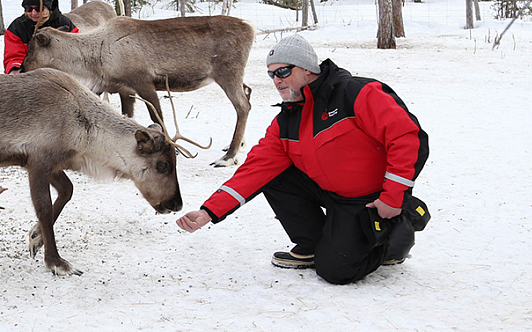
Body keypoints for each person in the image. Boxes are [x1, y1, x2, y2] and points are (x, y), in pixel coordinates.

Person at [176, 34, 430, 285]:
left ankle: (398, 229)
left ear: (307, 69)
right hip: (330, 191)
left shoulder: (356, 94)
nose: (277, 80)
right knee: (273, 177)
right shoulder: (287, 119)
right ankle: (312, 243)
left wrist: (393, 197)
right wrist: (209, 212)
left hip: (368, 199)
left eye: (283, 71)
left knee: (336, 270)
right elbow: (255, 169)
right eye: (272, 74)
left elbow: (408, 139)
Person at [3, 0, 78, 74]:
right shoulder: (17, 28)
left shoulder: (64, 23)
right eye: (29, 9)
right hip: (30, 77)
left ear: (49, 7)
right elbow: (13, 57)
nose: (34, 13)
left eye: (39, 8)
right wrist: (14, 70)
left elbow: (77, 51)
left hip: (62, 74)